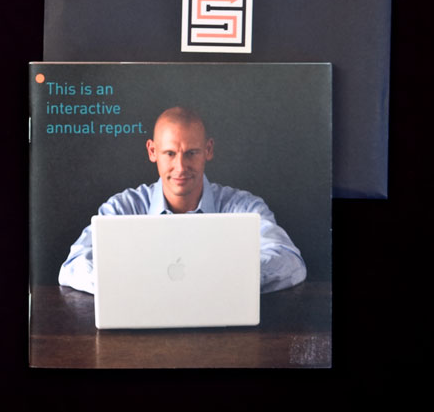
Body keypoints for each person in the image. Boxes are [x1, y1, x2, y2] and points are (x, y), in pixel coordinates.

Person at [58, 106, 307, 294]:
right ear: (152, 151)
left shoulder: (245, 208)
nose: (180, 166)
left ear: (208, 150)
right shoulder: (122, 208)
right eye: (170, 153)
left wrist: (227, 279)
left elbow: (291, 263)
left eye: (191, 153)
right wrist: (142, 283)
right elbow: (73, 266)